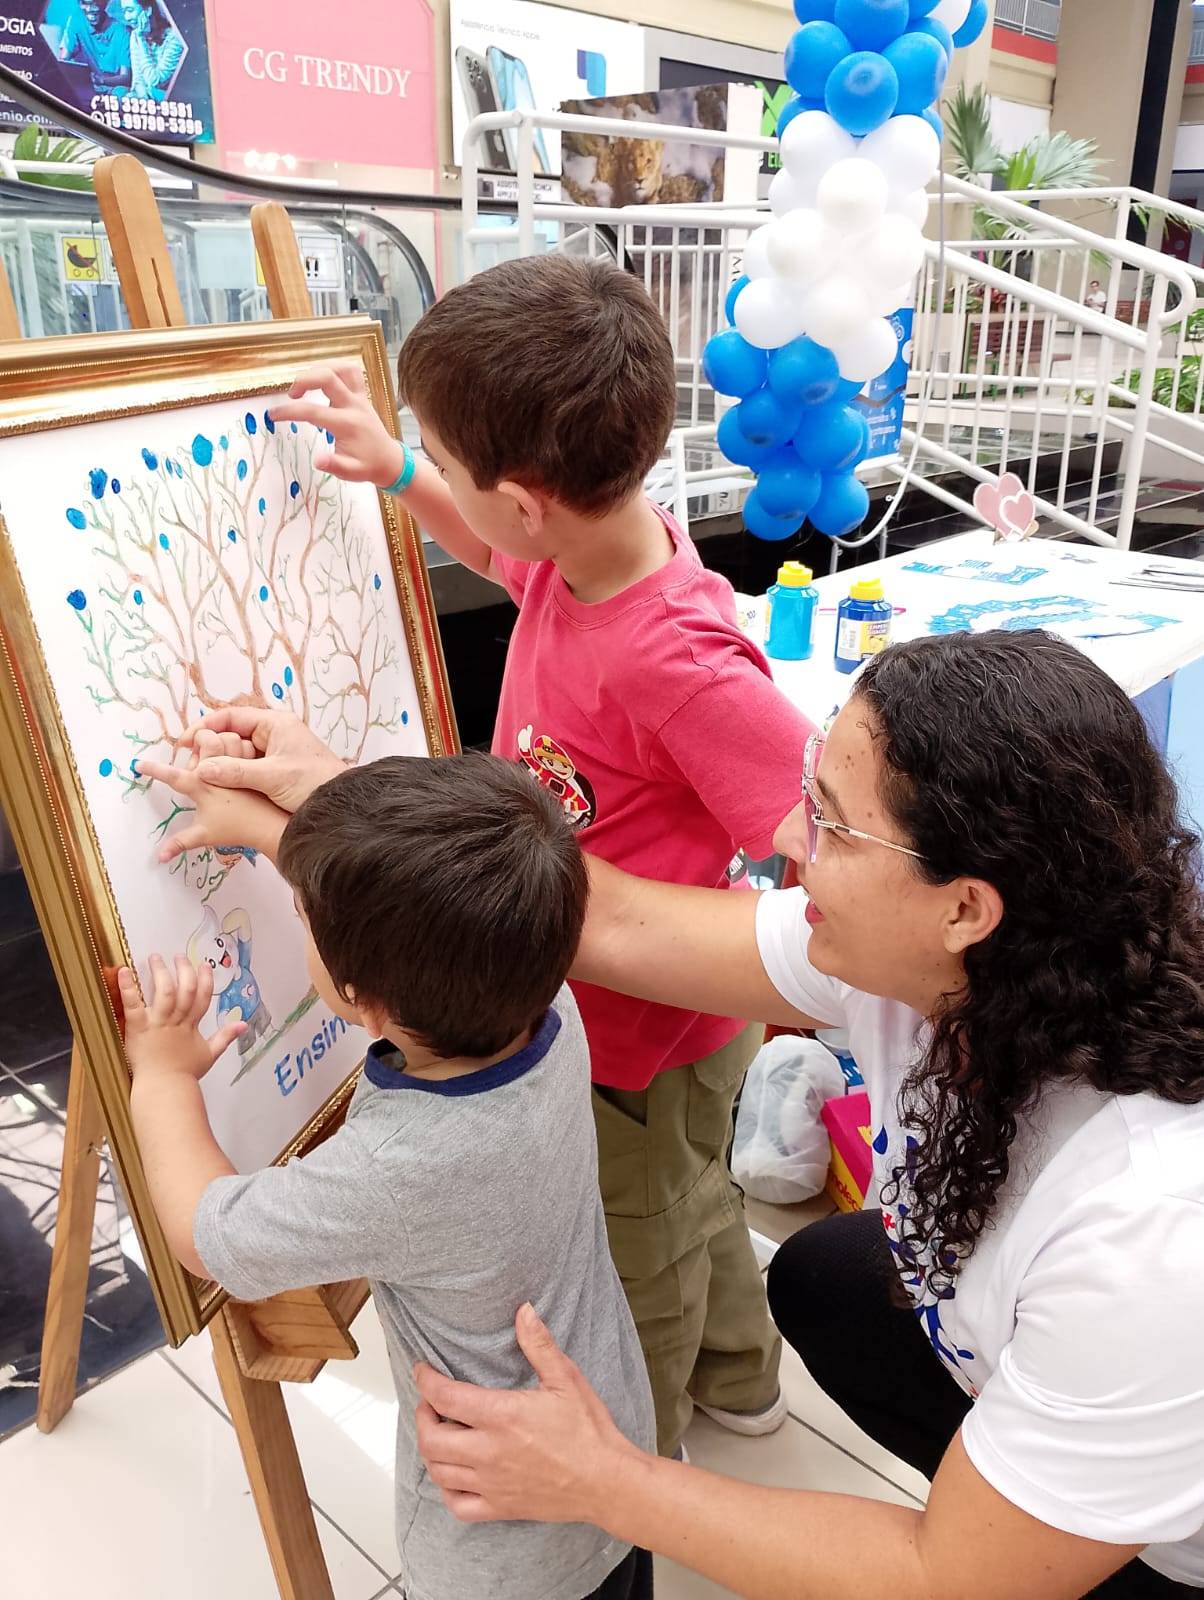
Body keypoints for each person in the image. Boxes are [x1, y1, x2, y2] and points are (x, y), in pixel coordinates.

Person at [405, 630, 1204, 1600]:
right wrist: (345, 817)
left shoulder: (1147, 1223)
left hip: (1177, 1552)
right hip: (1077, 1375)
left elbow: (943, 1574)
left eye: (829, 824)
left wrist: (603, 1478)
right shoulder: (957, 964)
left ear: (964, 907)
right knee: (827, 1277)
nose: (784, 840)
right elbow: (612, 922)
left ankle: (1052, 1529)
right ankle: (1027, 1484)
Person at [195, 254, 818, 1460]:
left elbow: (802, 828)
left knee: (643, 1236)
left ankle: (651, 1432)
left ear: (527, 496)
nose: (455, 498)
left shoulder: (672, 653)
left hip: (648, 1040)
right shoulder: (591, 548)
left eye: (451, 462)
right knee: (693, 1201)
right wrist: (404, 473)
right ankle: (746, 1378)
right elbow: (501, 556)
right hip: (611, 1023)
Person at [122, 750, 656, 1600]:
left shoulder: (399, 1170)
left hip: (498, 1552)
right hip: (615, 1458)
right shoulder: (544, 996)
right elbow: (444, 909)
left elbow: (206, 1235)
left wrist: (163, 1077)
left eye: (306, 920)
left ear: (359, 996)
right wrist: (274, 832)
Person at [57, 0, 131, 92]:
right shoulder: (76, 19)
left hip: (114, 90)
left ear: (105, 3)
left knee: (121, 92)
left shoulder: (122, 31)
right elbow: (64, 62)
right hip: (86, 89)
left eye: (94, 3)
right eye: (85, 3)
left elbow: (126, 77)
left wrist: (101, 80)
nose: (90, 9)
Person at [120, 0, 183, 101]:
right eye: (124, 12)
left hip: (169, 99)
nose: (127, 17)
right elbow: (137, 78)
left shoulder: (174, 38)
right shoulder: (135, 34)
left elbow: (155, 82)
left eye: (130, 10)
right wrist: (141, 95)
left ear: (148, 10)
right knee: (119, 92)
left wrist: (142, 40)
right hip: (145, 95)